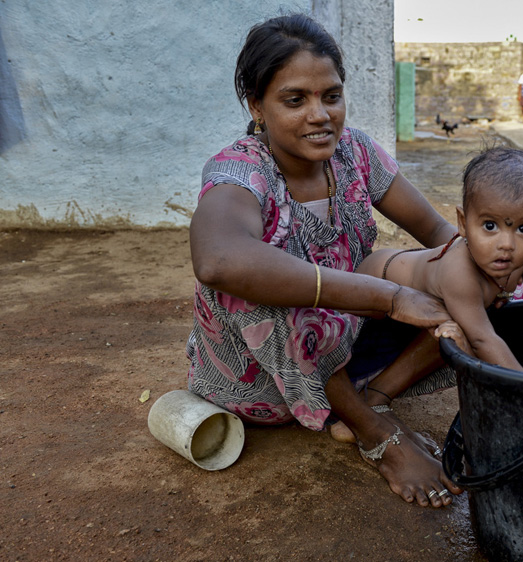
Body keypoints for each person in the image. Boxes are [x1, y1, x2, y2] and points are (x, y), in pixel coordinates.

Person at [186, 14, 461, 508]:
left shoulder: (355, 153)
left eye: (331, 96)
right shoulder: (241, 169)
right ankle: (373, 431)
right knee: (255, 280)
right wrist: (391, 296)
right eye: (295, 100)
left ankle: (373, 398)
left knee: (463, 267)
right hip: (261, 382)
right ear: (257, 106)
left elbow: (441, 235)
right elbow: (217, 259)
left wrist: (508, 270)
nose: (320, 115)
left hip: (349, 350)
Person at [357, 146, 523, 371]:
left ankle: (381, 387)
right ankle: (377, 391)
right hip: (370, 297)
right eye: (490, 226)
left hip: (419, 309)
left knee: (461, 325)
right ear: (463, 223)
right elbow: (482, 339)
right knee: (461, 334)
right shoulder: (458, 272)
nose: (507, 245)